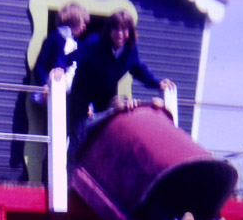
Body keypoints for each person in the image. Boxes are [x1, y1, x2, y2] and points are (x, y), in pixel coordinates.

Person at [67, 9, 175, 149]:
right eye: (115, 28)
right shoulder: (95, 42)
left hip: (105, 93)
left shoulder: (130, 51)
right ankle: (73, 161)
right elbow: (72, 57)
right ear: (109, 30)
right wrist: (58, 68)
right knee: (77, 133)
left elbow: (139, 69)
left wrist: (157, 83)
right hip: (82, 91)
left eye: (124, 29)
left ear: (130, 32)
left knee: (108, 127)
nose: (119, 33)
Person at [24, 2, 90, 182]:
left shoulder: (79, 45)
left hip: (76, 98)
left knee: (76, 138)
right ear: (74, 19)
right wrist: (45, 85)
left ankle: (71, 180)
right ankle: (51, 179)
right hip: (58, 95)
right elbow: (40, 65)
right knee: (58, 137)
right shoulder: (54, 39)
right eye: (83, 22)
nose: (85, 26)